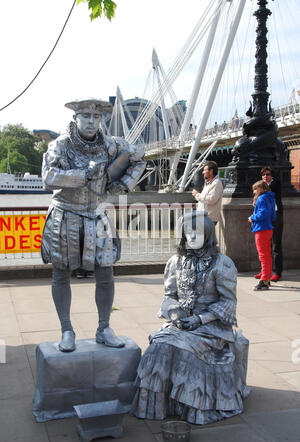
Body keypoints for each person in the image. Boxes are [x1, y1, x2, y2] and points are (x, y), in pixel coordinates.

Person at [41, 98, 146, 352]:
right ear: (75, 118)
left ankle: (104, 327)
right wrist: (83, 174)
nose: (91, 121)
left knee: (106, 272)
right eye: (86, 116)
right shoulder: (60, 145)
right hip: (65, 214)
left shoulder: (111, 145)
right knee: (61, 272)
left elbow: (140, 157)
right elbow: (48, 177)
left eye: (96, 117)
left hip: (97, 214)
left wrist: (122, 185)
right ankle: (67, 330)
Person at [131, 211, 250, 425]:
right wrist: (175, 313)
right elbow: (169, 295)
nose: (192, 238)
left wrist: (199, 320)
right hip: (181, 323)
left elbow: (228, 303)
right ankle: (160, 407)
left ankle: (191, 406)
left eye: (197, 233)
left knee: (183, 350)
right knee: (159, 346)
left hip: (211, 326)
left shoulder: (222, 263)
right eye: (188, 233)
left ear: (208, 234)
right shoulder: (175, 261)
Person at [248, 180, 276, 291]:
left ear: (261, 188)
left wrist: (252, 218)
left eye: (256, 189)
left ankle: (264, 280)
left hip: (261, 228)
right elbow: (272, 215)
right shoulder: (270, 197)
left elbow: (262, 213)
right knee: (267, 255)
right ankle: (266, 278)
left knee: (263, 256)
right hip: (268, 228)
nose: (254, 191)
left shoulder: (261, 198)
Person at [261, 166, 283, 281]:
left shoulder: (275, 184)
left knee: (276, 245)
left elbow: (265, 192)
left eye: (268, 174)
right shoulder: (262, 186)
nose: (265, 176)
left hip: (275, 217)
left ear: (272, 175)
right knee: (265, 246)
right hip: (266, 217)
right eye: (264, 174)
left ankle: (277, 272)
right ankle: (266, 271)